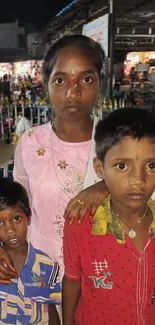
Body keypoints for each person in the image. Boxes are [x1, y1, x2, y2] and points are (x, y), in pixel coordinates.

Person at [0, 35, 108, 283]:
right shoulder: (30, 143)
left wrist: (105, 186)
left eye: (86, 79)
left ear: (100, 82)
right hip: (39, 271)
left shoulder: (116, 143)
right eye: (60, 80)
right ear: (45, 83)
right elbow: (16, 208)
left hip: (100, 274)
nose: (73, 92)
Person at [63, 107, 155, 325]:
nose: (138, 180)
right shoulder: (80, 224)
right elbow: (72, 281)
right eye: (122, 166)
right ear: (99, 169)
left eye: (151, 165)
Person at [0, 178, 61, 325]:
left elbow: (50, 309)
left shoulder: (47, 266)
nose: (10, 230)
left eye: (16, 218)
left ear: (28, 218)